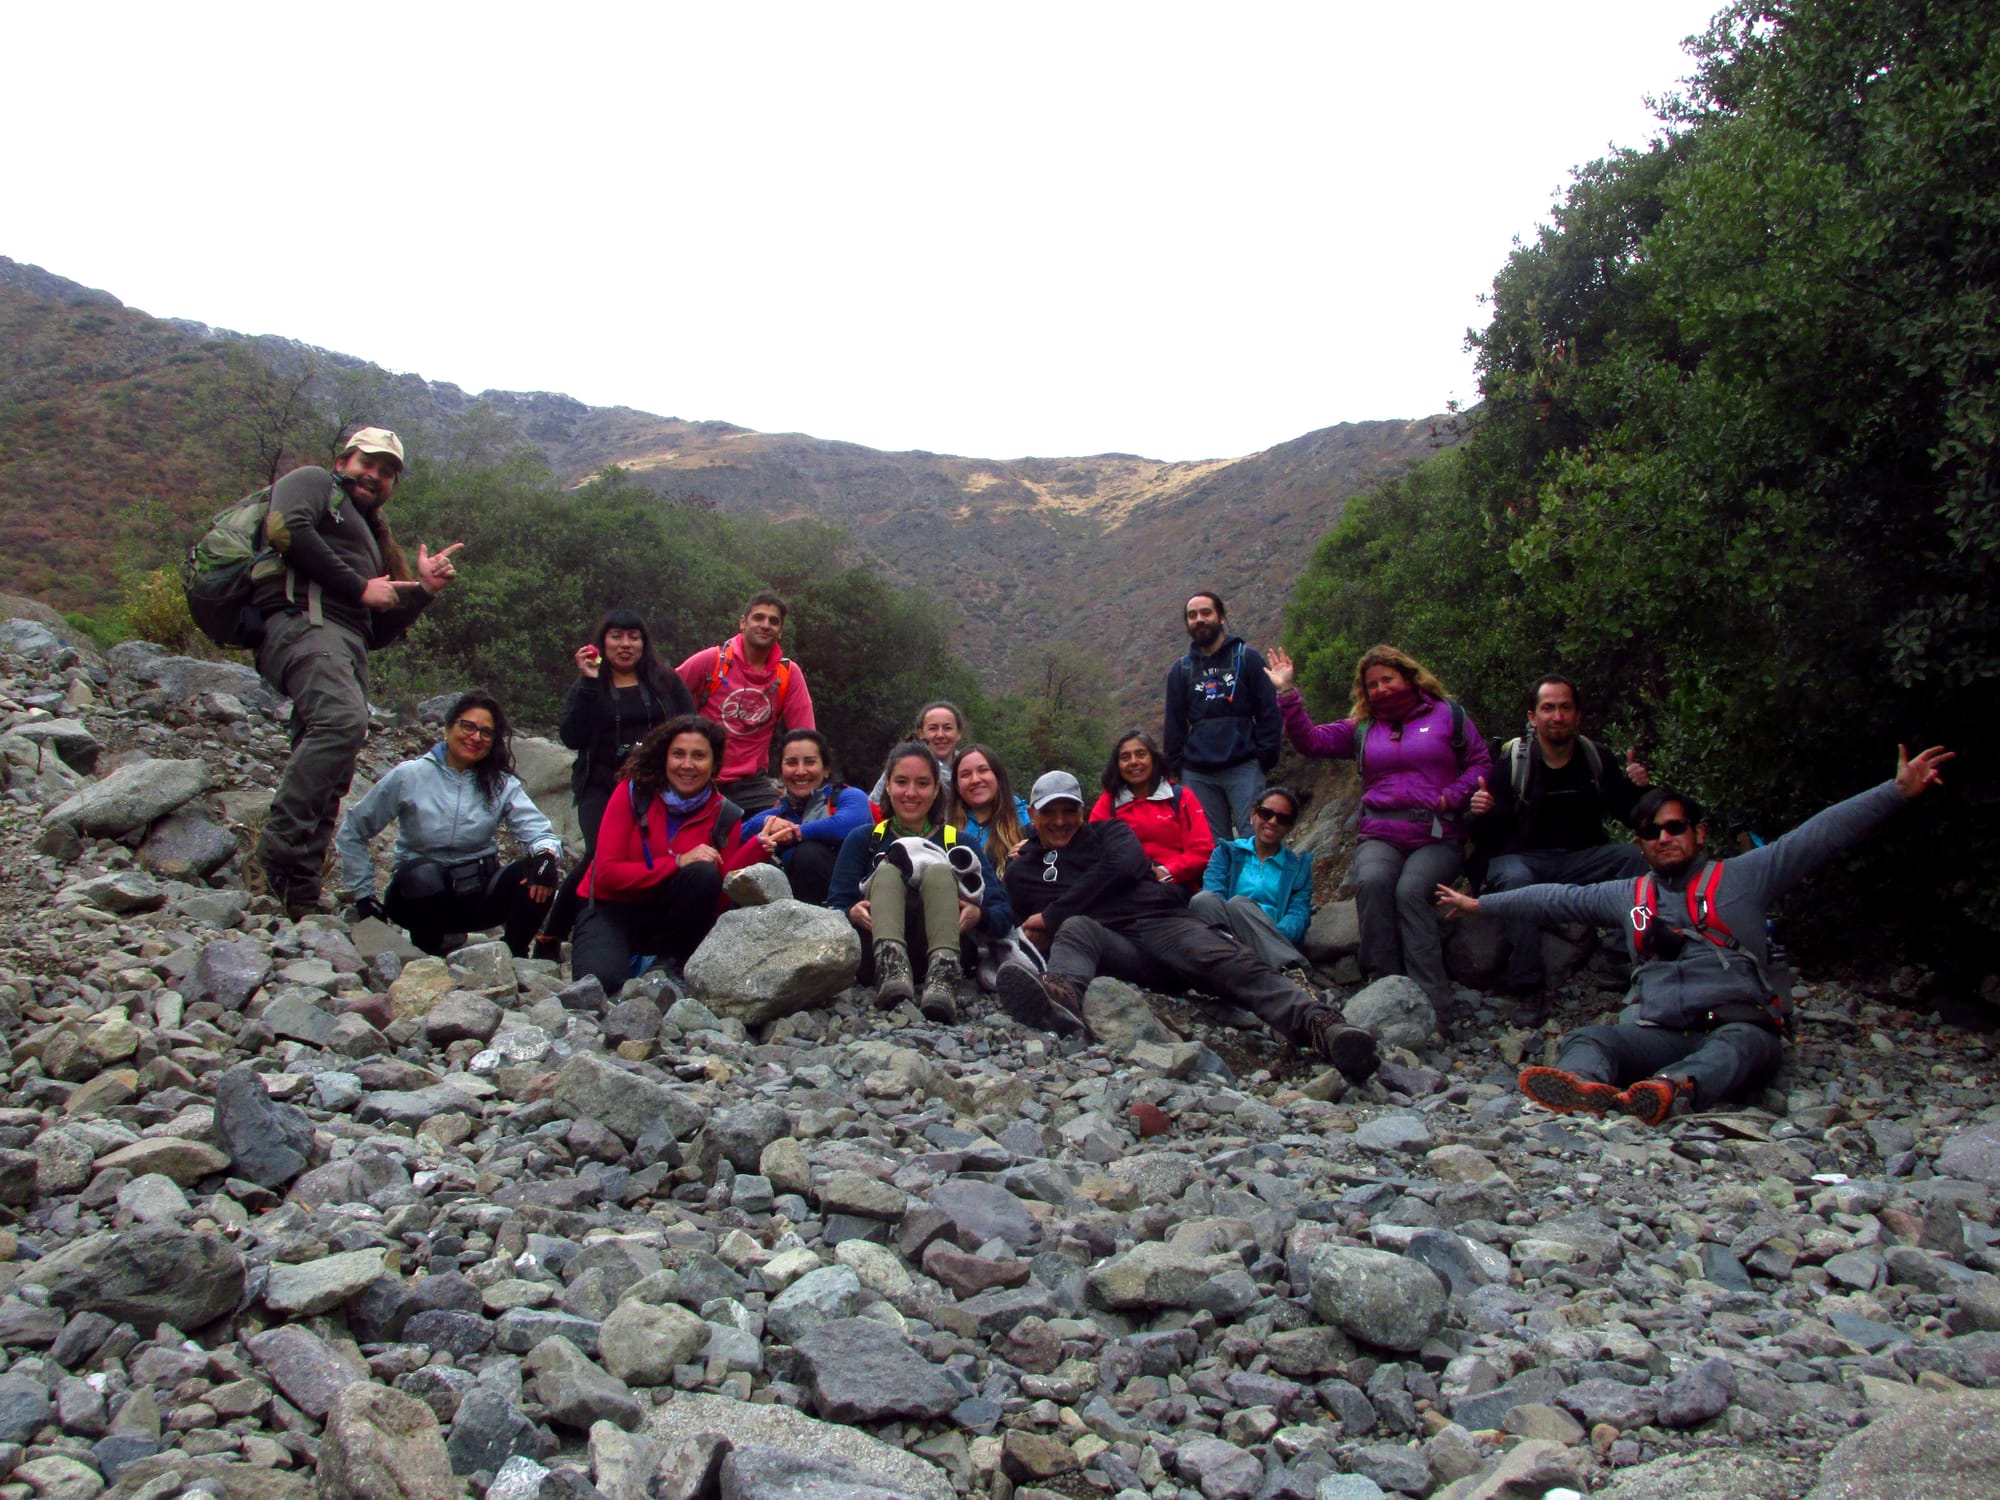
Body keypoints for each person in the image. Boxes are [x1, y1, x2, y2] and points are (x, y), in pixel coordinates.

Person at [1435, 746, 1954, 1123]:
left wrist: (1895, 791)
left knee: (1746, 1047)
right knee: (1589, 1037)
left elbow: (1818, 835)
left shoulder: (1746, 877)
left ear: (1697, 833)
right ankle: (1583, 1088)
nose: (1665, 838)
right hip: (1658, 1027)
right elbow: (1552, 896)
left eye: (1675, 827)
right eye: (1652, 832)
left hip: (1734, 1024)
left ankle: (1670, 1089)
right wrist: (1479, 903)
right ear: (1640, 843)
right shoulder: (1627, 894)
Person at [998, 771, 1380, 1084]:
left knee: (1228, 961)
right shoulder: (1022, 870)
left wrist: (1052, 915)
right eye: (1050, 812)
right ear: (1032, 813)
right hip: (1115, 948)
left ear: (1083, 811)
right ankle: (1058, 1002)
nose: (1061, 821)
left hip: (1161, 923)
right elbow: (1016, 924)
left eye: (1069, 810)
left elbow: (1124, 866)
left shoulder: (1111, 834)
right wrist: (1045, 930)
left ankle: (1324, 1028)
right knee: (1077, 926)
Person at [250, 427, 462, 918]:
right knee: (344, 722)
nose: (376, 476)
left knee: (335, 756)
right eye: (368, 463)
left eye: (388, 472)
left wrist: (423, 591)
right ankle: (275, 855)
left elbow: (379, 630)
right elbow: (286, 528)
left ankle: (296, 894)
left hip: (344, 642)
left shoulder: (370, 533)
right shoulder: (312, 482)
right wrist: (358, 586)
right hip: (302, 624)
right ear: (344, 460)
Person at [1267, 642, 1491, 1017]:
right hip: (1381, 831)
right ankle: (1383, 985)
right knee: (1372, 882)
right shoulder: (1364, 727)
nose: (1381, 689)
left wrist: (1452, 796)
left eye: (1388, 679)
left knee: (1411, 891)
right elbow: (1311, 741)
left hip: (1436, 832)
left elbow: (1480, 763)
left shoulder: (1448, 716)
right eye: (1372, 684)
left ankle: (1434, 1000)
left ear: (1408, 676)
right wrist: (1288, 694)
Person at [335, 692, 563, 957]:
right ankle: (428, 952)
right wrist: (364, 896)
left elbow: (539, 833)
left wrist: (545, 857)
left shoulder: (500, 784)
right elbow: (354, 829)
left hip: (478, 893)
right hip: (417, 896)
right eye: (468, 727)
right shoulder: (410, 775)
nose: (475, 737)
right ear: (448, 728)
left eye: (486, 733)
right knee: (425, 875)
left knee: (538, 871)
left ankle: (513, 956)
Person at [1468, 674, 1652, 995]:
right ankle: (1525, 980)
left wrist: (1641, 790)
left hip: (1580, 861)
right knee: (1515, 878)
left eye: (1566, 708)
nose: (1558, 716)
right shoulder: (1513, 762)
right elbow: (1486, 838)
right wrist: (1479, 812)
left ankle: (1619, 954)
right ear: (1532, 717)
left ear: (1578, 715)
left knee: (1637, 857)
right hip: (1521, 861)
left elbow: (1629, 813)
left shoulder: (1595, 758)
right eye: (1548, 708)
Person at [570, 715, 766, 998]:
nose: (687, 765)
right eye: (678, 754)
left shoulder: (726, 815)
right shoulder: (632, 792)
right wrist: (677, 861)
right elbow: (607, 873)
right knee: (600, 984)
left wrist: (759, 845)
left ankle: (669, 961)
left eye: (698, 756)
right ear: (665, 757)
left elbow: (718, 895)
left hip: (669, 919)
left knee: (703, 872)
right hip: (611, 907)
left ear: (714, 764)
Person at [537, 609, 696, 956]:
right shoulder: (588, 685)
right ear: (602, 642)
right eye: (616, 636)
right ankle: (553, 932)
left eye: (633, 637)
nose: (625, 644)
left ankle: (643, 934)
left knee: (652, 856)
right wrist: (590, 683)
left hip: (657, 785)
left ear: (644, 643)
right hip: (602, 784)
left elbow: (692, 725)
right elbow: (572, 737)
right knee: (598, 855)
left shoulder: (665, 681)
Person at [827, 741, 1011, 1022]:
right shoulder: (864, 840)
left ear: (937, 789)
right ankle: (892, 967)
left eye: (922, 783)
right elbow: (833, 908)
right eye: (902, 782)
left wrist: (979, 915)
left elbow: (1003, 914)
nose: (911, 793)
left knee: (939, 871)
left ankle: (943, 975)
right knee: (888, 870)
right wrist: (850, 913)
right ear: (887, 785)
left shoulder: (960, 845)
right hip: (874, 958)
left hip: (948, 952)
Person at [677, 593, 815, 815]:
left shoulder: (788, 674)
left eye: (773, 621)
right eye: (758, 617)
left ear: (780, 631)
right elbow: (666, 693)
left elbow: (806, 735)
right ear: (743, 622)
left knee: (790, 829)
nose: (765, 625)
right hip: (700, 776)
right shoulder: (713, 661)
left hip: (752, 784)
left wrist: (803, 781)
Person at [1163, 591, 1281, 840]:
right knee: (1210, 845)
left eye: (1206, 612)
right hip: (1197, 772)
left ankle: (1260, 881)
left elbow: (1269, 711)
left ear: (1221, 616)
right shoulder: (1181, 670)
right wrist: (1178, 768)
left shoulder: (1247, 659)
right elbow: (1174, 724)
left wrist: (1264, 757)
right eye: (1192, 615)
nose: (1199, 620)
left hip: (1244, 765)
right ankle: (1222, 881)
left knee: (1255, 837)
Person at [1192, 786, 1318, 980]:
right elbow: (1213, 892)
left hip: (1272, 936)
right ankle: (1239, 962)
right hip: (1229, 934)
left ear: (1290, 827)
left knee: (1239, 903)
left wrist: (1272, 935)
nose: (1272, 822)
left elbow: (1298, 913)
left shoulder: (1298, 868)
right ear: (1253, 814)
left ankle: (1290, 969)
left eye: (1282, 819)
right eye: (1266, 814)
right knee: (1203, 900)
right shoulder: (1227, 853)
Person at [740, 729, 872, 905]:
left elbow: (846, 825)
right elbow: (738, 835)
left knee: (807, 853)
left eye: (810, 762)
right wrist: (766, 823)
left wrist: (794, 833)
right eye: (791, 763)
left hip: (853, 898)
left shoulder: (848, 796)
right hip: (797, 904)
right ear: (780, 771)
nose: (800, 771)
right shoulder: (781, 812)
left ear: (826, 769)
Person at [1088, 729, 1215, 891]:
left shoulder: (1181, 797)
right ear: (1117, 765)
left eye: (1141, 754)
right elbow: (1092, 849)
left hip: (1175, 885)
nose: (1133, 762)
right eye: (1125, 757)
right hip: (1123, 886)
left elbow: (1202, 850)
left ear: (1154, 759)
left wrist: (1166, 872)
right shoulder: (1109, 802)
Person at [951, 743, 1030, 876]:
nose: (975, 780)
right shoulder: (945, 826)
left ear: (998, 776)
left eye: (983, 770)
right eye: (965, 774)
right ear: (956, 785)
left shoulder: (1024, 823)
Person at [870, 702, 968, 805]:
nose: (940, 735)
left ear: (959, 733)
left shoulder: (971, 767)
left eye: (947, 728)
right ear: (921, 733)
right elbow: (874, 805)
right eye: (933, 728)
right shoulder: (902, 763)